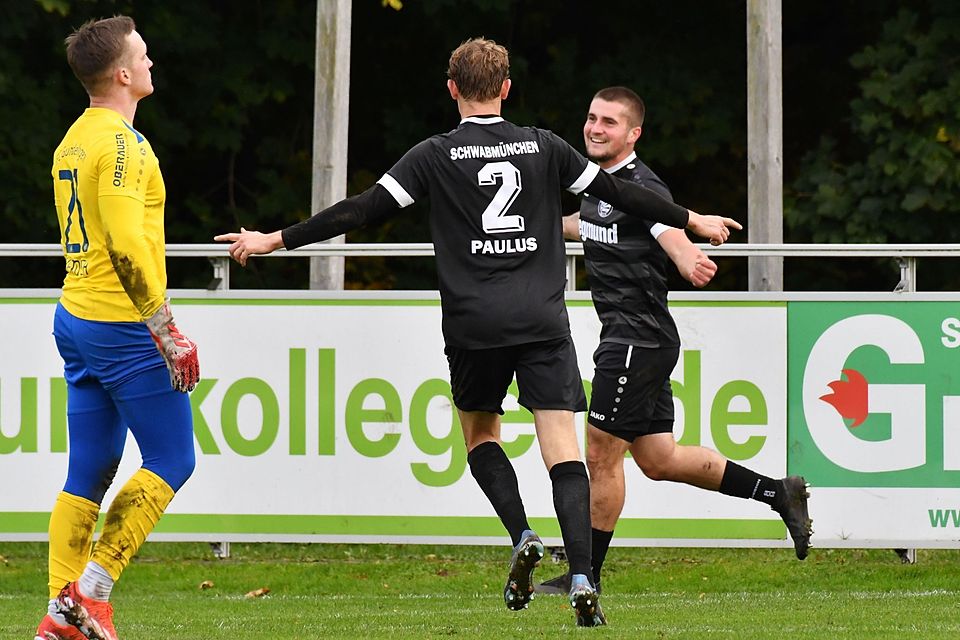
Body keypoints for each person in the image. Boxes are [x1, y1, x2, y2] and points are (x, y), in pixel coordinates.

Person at [215, 39, 740, 627]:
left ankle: (521, 535)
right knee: (563, 450)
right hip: (541, 321)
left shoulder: (434, 154)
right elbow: (618, 192)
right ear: (507, 88)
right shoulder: (544, 146)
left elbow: (357, 211)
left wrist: (272, 239)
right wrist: (692, 218)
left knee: (481, 435)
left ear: (452, 89)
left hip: (473, 323)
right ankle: (585, 577)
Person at [536, 87, 811, 597]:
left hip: (636, 341)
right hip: (640, 340)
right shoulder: (597, 185)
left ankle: (584, 576)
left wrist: (688, 259)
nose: (595, 128)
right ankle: (779, 493)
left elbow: (669, 230)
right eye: (592, 117)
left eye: (610, 122)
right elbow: (587, 224)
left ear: (633, 133)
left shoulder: (644, 186)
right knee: (659, 460)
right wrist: (536, 230)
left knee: (600, 457)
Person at [36, 15, 200, 640]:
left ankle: (61, 611)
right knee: (172, 457)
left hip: (75, 317)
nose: (152, 61)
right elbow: (127, 243)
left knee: (92, 465)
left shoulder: (73, 139)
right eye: (144, 55)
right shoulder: (126, 145)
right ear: (124, 75)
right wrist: (165, 330)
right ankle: (92, 590)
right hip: (120, 323)